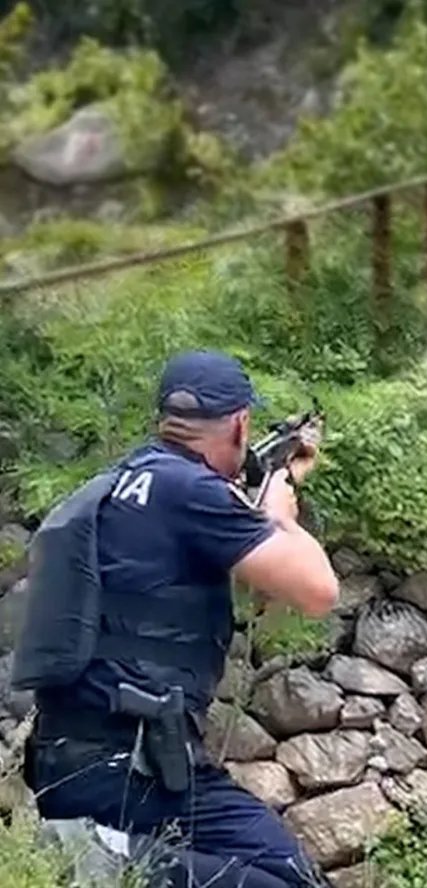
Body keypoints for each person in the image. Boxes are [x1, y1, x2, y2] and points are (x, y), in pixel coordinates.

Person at [10, 350, 340, 888]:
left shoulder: (125, 484)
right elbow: (318, 591)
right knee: (288, 881)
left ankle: (115, 858)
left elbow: (253, 584)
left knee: (275, 871)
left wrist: (271, 485)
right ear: (240, 423)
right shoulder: (189, 492)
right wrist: (279, 507)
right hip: (131, 769)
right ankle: (114, 868)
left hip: (80, 760)